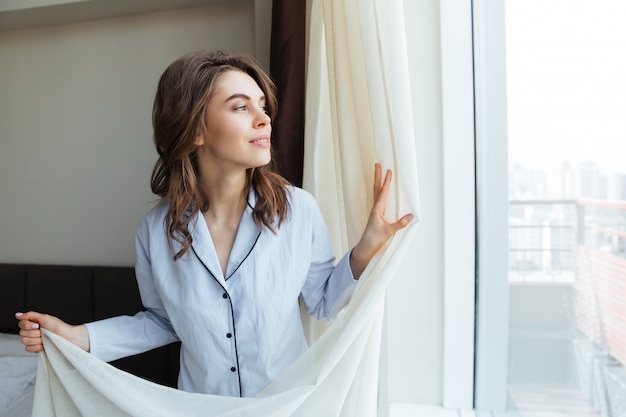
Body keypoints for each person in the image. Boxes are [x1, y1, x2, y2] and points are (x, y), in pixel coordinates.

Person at [15, 50, 413, 398]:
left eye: (262, 105)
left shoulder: (298, 211)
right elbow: (161, 322)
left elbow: (324, 302)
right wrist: (75, 336)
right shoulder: (155, 232)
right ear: (196, 130)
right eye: (241, 107)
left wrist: (367, 247)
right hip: (199, 407)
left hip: (288, 407)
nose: (264, 119)